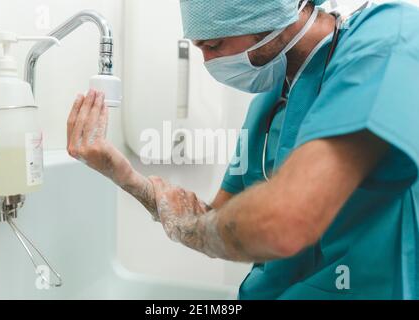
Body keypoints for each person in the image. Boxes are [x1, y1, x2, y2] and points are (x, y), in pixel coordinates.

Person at [66, 0, 419, 299]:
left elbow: (280, 223)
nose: (207, 63)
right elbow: (217, 217)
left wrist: (207, 230)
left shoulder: (388, 39)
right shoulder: (270, 99)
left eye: (215, 46)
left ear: (266, 16)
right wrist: (126, 176)